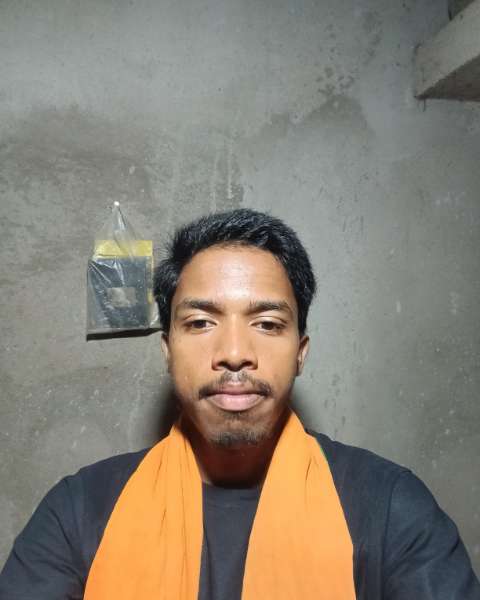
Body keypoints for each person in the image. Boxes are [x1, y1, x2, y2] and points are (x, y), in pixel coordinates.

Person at [0, 208, 478, 600]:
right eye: (200, 323)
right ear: (167, 350)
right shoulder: (80, 510)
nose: (233, 352)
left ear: (300, 353)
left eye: (267, 324)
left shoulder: (390, 508)